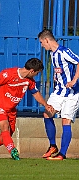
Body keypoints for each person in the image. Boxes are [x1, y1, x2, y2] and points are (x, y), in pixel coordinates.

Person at [0, 58, 53, 160]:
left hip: (11, 110)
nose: (36, 76)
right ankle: (13, 150)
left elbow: (35, 93)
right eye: (37, 73)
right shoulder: (8, 74)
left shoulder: (29, 81)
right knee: (4, 126)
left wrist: (45, 105)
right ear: (32, 71)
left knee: (5, 137)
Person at [38, 29, 79, 160]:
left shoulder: (64, 52)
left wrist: (74, 80)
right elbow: (60, 68)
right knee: (47, 113)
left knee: (65, 121)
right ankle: (52, 146)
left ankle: (62, 154)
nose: (41, 45)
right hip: (59, 92)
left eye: (41, 42)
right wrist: (57, 76)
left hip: (72, 93)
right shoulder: (52, 54)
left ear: (46, 40)